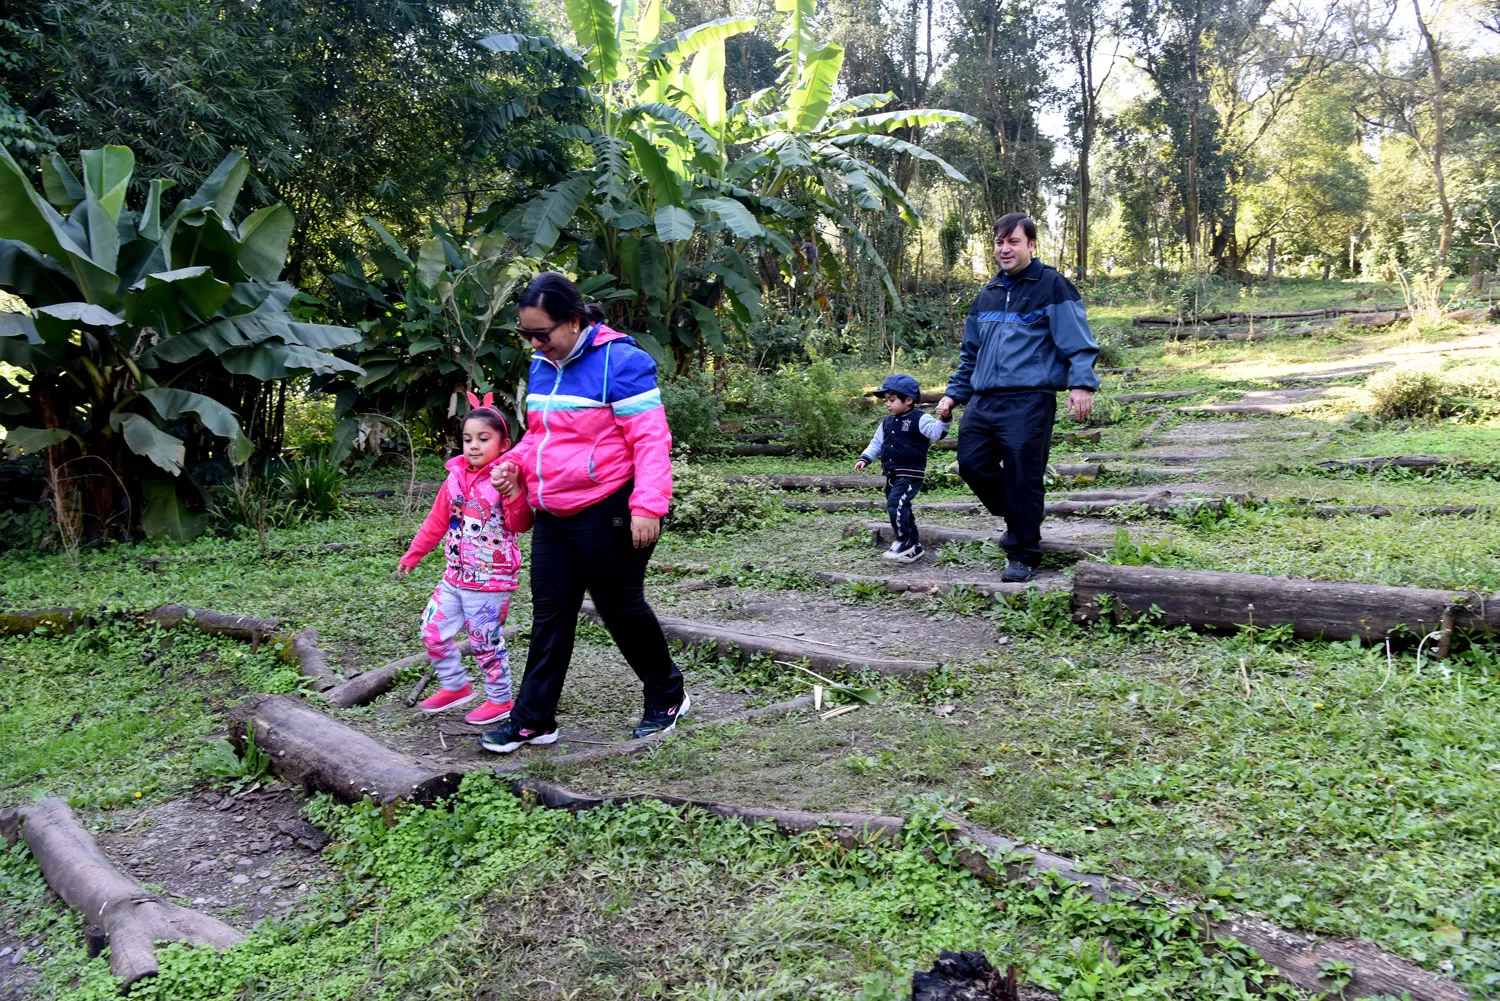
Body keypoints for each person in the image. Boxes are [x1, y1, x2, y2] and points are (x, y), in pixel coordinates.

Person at [479, 272, 687, 754]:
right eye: (525, 334)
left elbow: (651, 441)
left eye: (541, 333)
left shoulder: (623, 361)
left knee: (619, 606)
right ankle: (533, 718)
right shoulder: (540, 364)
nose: (534, 343)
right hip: (554, 507)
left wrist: (649, 505)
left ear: (572, 322)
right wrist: (511, 464)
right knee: (551, 610)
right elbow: (538, 435)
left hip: (611, 504)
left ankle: (667, 693)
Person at [935, 213, 1100, 583]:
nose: (1005, 249)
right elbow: (970, 354)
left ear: (1031, 245)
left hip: (1030, 398)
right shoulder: (988, 293)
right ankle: (1020, 520)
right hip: (985, 399)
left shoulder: (1052, 286)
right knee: (971, 464)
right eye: (999, 242)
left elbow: (1078, 341)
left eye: (1013, 242)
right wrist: (953, 395)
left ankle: (1024, 553)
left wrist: (1081, 384)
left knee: (1025, 477)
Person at [398, 394, 534, 725]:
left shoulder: (506, 477)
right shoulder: (454, 478)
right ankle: (456, 686)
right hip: (454, 577)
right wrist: (414, 554)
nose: (473, 446)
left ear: (504, 444)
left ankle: (500, 700)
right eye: (468, 439)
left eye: (483, 439)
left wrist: (514, 492)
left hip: (491, 582)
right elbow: (436, 521)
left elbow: (522, 524)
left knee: (484, 642)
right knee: (431, 630)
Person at [854, 374, 950, 564]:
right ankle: (914, 545)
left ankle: (904, 540)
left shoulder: (920, 418)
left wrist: (945, 418)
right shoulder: (887, 422)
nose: (887, 404)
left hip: (910, 474)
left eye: (892, 400)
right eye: (886, 401)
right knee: (901, 507)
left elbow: (937, 432)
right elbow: (876, 443)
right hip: (892, 474)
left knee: (895, 505)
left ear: (908, 400)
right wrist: (865, 458)